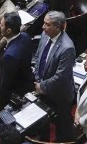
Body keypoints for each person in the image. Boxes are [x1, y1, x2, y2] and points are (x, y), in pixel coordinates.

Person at [34, 11, 77, 141]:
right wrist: (37, 78)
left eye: (47, 25)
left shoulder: (67, 48)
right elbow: (38, 57)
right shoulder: (44, 35)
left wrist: (41, 85)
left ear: (58, 27)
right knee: (43, 123)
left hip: (60, 95)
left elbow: (61, 76)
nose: (43, 27)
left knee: (63, 129)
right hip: (43, 89)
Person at [0, 12, 34, 108]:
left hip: (17, 91)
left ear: (9, 31)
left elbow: (5, 84)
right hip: (28, 81)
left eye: (1, 25)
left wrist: (0, 103)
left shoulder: (10, 56)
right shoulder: (25, 36)